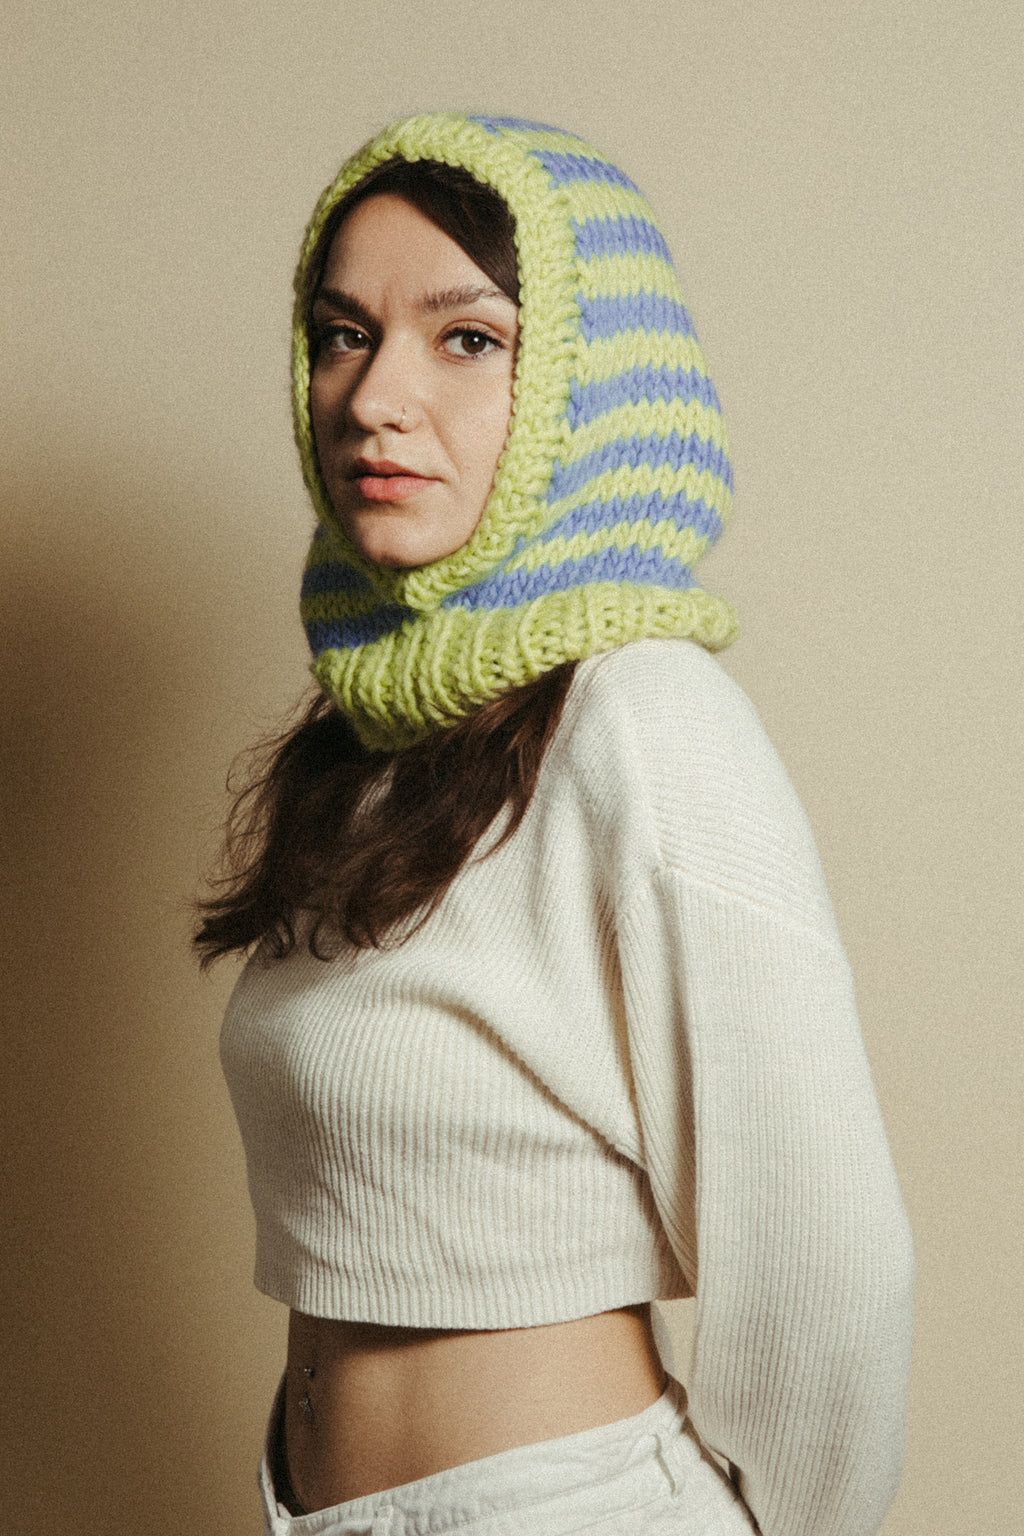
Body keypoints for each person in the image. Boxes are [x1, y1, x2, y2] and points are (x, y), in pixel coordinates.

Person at [198, 114, 915, 1536]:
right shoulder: (376, 747)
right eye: (343, 335)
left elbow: (823, 1253)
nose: (376, 397)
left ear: (588, 389)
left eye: (467, 339)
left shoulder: (641, 715)